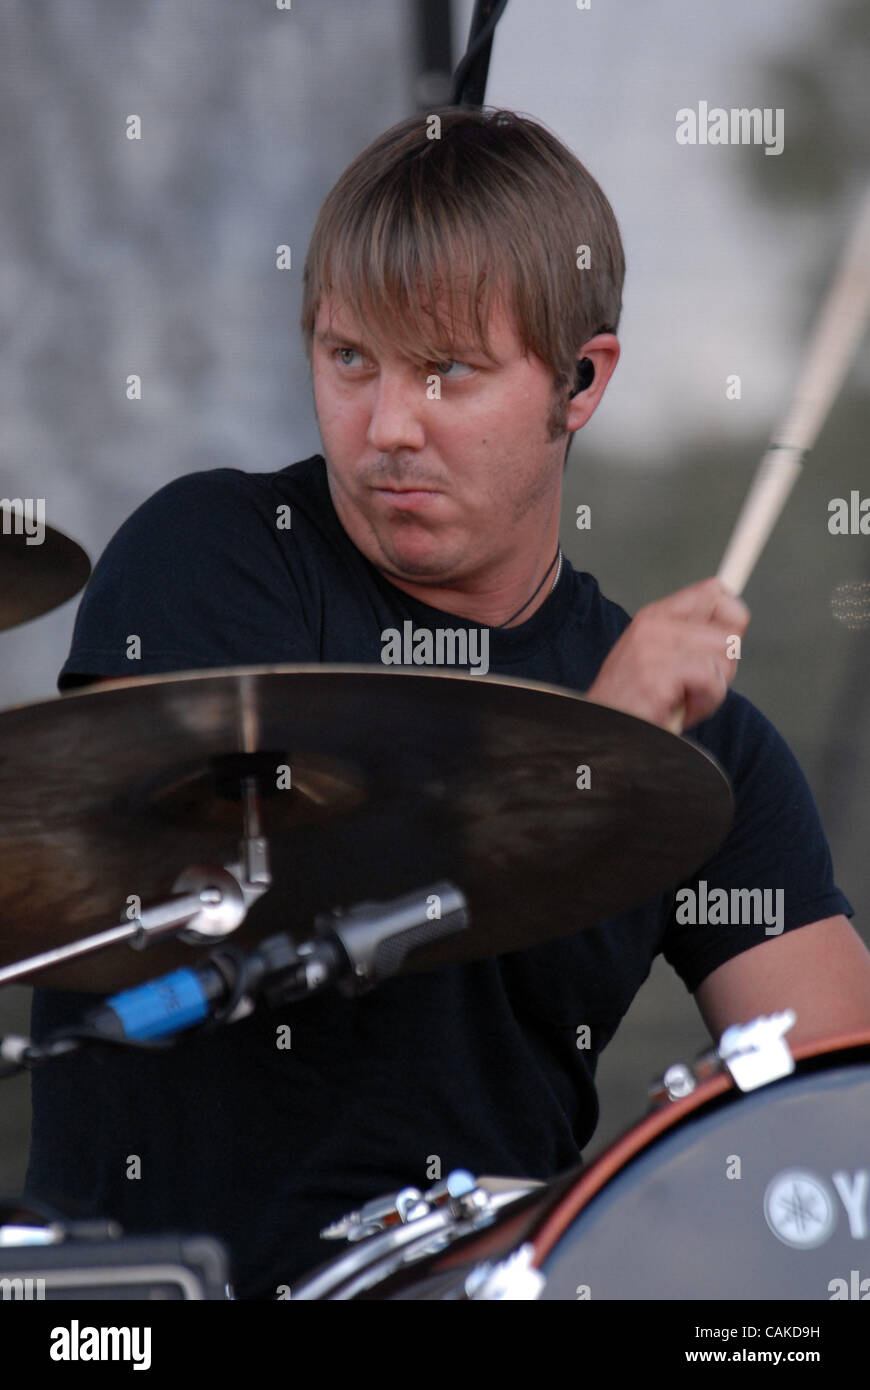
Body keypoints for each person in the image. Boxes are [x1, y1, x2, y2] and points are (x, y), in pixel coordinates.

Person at [25, 107, 870, 1298]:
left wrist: (722, 1158)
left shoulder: (700, 734)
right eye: (348, 360)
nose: (387, 429)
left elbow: (836, 1099)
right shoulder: (217, 556)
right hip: (161, 1302)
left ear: (581, 381)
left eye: (448, 372)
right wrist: (581, 768)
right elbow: (202, 900)